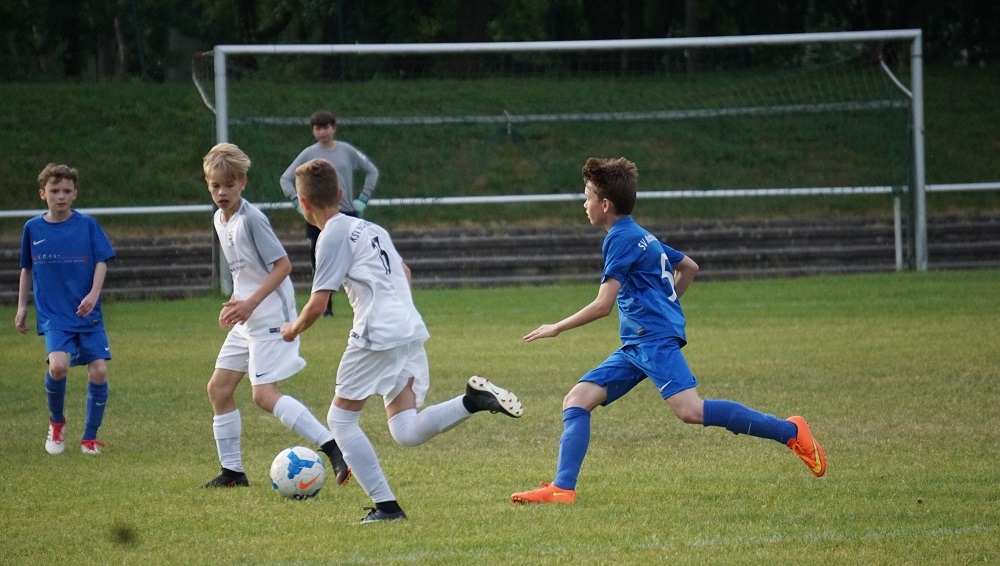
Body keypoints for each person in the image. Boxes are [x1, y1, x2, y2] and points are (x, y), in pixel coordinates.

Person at [510, 157, 827, 505]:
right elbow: (689, 267)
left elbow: (603, 305)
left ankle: (790, 431)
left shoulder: (619, 239)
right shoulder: (641, 234)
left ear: (605, 204)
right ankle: (563, 488)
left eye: (587, 198)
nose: (584, 205)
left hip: (653, 339)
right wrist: (666, 304)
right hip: (638, 343)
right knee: (577, 400)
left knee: (690, 410)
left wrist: (556, 327)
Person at [280, 158, 523, 524]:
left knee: (340, 421)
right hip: (408, 326)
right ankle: (472, 401)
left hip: (378, 333)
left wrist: (291, 330)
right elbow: (404, 272)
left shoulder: (330, 235)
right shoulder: (371, 227)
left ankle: (387, 508)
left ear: (303, 203)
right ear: (341, 194)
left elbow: (317, 304)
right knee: (405, 431)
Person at [200, 143, 349, 489]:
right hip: (247, 316)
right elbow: (245, 272)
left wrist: (249, 304)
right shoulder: (220, 219)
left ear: (243, 183)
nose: (222, 193)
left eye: (229, 185)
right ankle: (233, 472)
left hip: (270, 316)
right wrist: (235, 303)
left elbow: (282, 266)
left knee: (263, 395)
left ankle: (334, 447)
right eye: (215, 186)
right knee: (218, 389)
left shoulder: (252, 219)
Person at [16, 164, 116, 456]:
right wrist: (22, 306)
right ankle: (57, 423)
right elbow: (26, 269)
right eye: (54, 191)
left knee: (99, 371)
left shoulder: (87, 225)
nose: (60, 196)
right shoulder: (32, 228)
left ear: (75, 194)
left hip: (87, 312)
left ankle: (89, 437)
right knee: (58, 366)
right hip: (54, 313)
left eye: (66, 191)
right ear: (42, 194)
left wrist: (93, 295)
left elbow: (101, 262)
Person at [280, 110, 379, 317]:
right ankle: (325, 307)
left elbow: (371, 170)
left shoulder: (347, 151)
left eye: (326, 127)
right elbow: (286, 178)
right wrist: (297, 203)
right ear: (313, 131)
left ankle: (366, 303)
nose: (322, 132)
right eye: (318, 128)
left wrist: (363, 198)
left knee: (357, 260)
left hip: (347, 214)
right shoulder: (308, 154)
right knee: (320, 262)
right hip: (318, 217)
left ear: (334, 128)